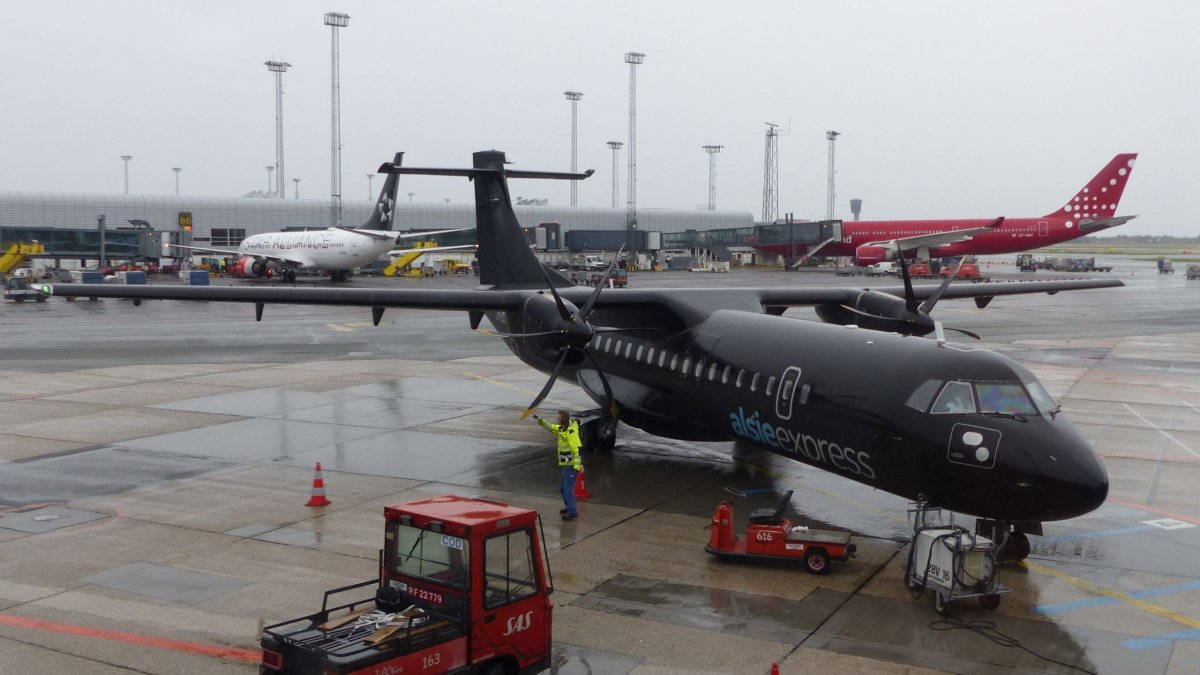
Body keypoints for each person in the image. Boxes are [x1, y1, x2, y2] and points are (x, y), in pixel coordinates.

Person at [534, 409, 582, 520]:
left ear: (563, 420)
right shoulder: (562, 428)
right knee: (562, 489)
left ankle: (572, 512)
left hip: (570, 465)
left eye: (558, 418)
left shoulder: (570, 432)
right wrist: (540, 420)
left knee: (567, 489)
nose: (557, 420)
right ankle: (569, 507)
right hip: (566, 464)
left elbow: (576, 450)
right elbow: (551, 427)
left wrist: (576, 466)